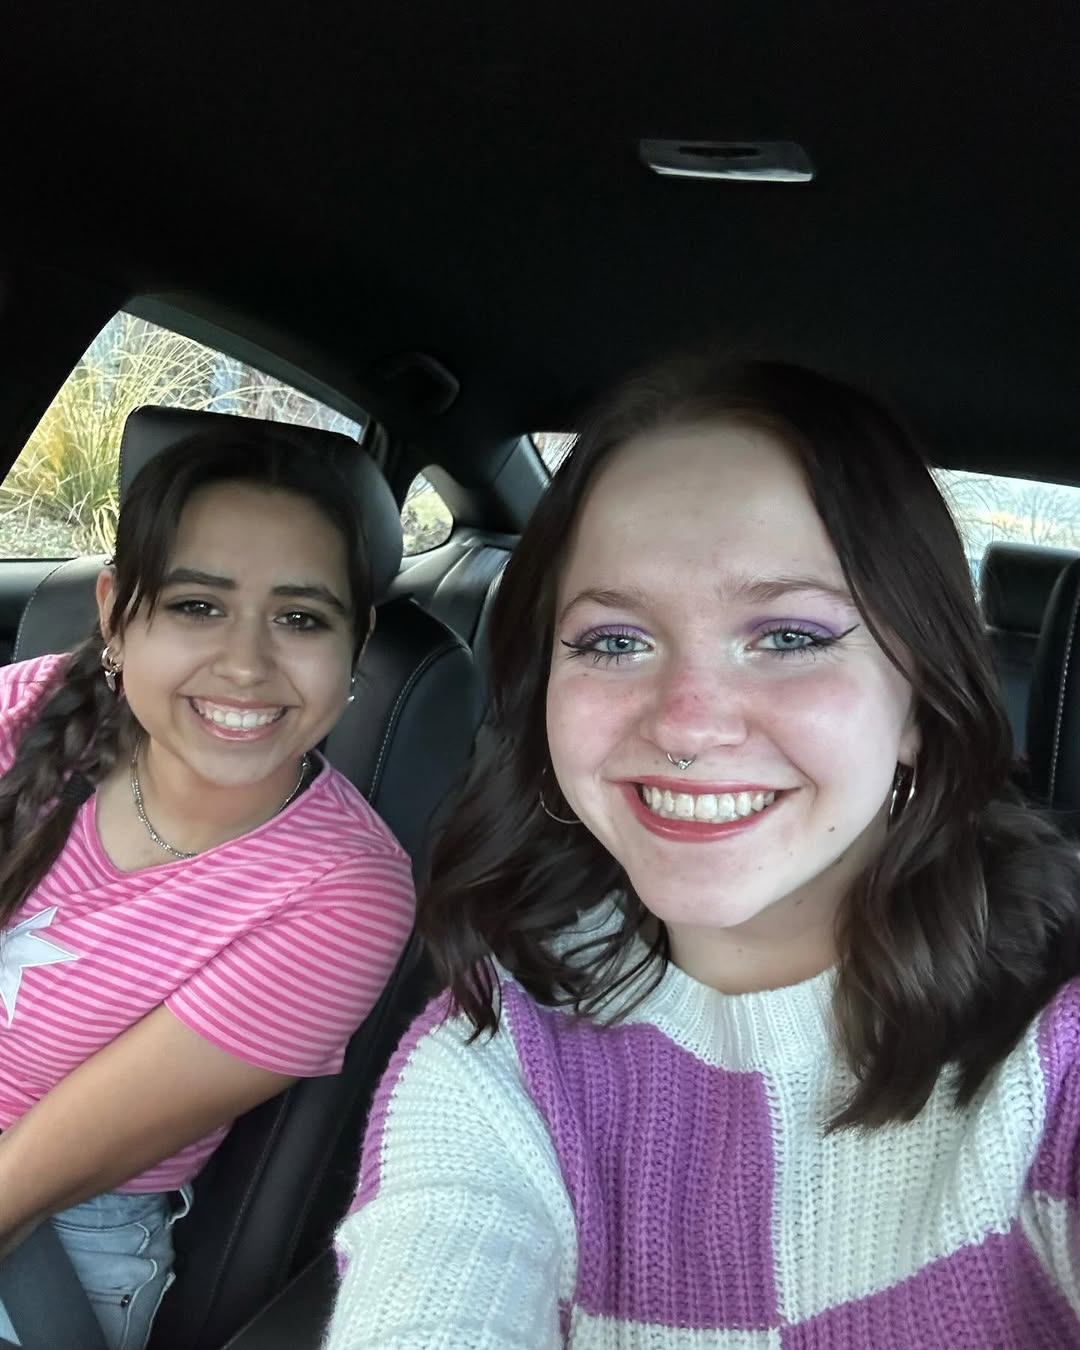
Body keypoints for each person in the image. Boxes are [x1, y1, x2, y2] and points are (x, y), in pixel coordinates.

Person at [326, 357, 1080, 1348]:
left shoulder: (1057, 1052)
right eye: (613, 641)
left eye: (790, 637)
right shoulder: (496, 1061)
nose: (685, 723)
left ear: (917, 701)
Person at [0, 424, 415, 1350]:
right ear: (116, 614)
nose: (246, 666)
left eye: (301, 620)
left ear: (357, 642)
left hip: (51, 1232)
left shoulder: (342, 893)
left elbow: (22, 1184)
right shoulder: (23, 711)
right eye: (197, 606)